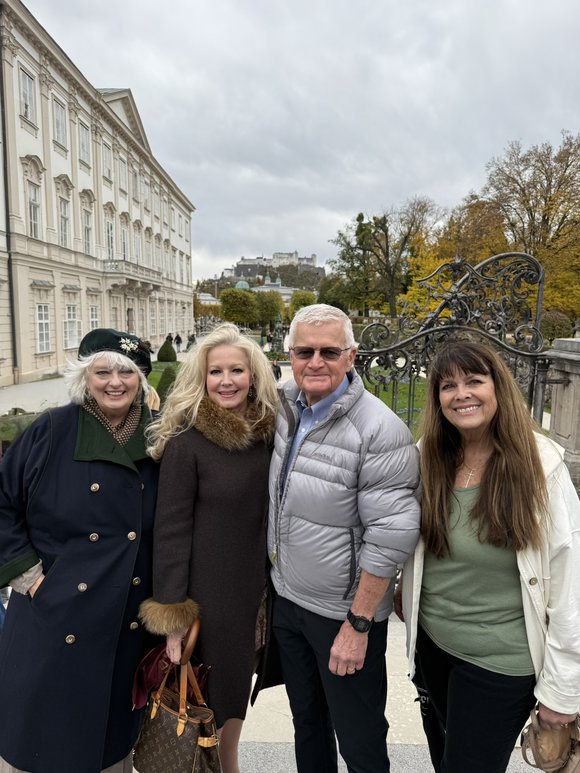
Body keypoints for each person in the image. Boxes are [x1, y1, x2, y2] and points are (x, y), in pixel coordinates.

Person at [400, 340, 580, 773]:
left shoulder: (541, 466)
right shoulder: (430, 457)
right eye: (448, 385)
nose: (461, 394)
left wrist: (562, 691)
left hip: (500, 663)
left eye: (474, 381)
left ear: (498, 388)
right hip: (433, 649)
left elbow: (570, 584)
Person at [268, 303, 421, 773]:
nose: (316, 362)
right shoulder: (281, 404)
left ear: (352, 356)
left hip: (343, 616)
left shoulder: (379, 430)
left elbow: (391, 535)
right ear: (289, 354)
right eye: (304, 351)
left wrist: (357, 626)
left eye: (329, 351)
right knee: (307, 724)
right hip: (289, 602)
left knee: (359, 737)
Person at [0, 328, 159, 773]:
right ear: (84, 377)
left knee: (109, 748)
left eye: (127, 371)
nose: (115, 382)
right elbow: (3, 503)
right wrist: (29, 578)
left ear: (142, 379)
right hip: (53, 614)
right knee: (44, 742)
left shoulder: (159, 437)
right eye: (102, 371)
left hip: (126, 617)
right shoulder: (52, 429)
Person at [139, 323, 278, 773]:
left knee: (233, 704)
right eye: (215, 371)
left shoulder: (267, 435)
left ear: (253, 375)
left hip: (252, 600)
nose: (226, 380)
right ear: (202, 379)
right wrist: (174, 618)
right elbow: (171, 531)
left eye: (236, 369)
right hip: (207, 603)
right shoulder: (188, 444)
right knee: (206, 711)